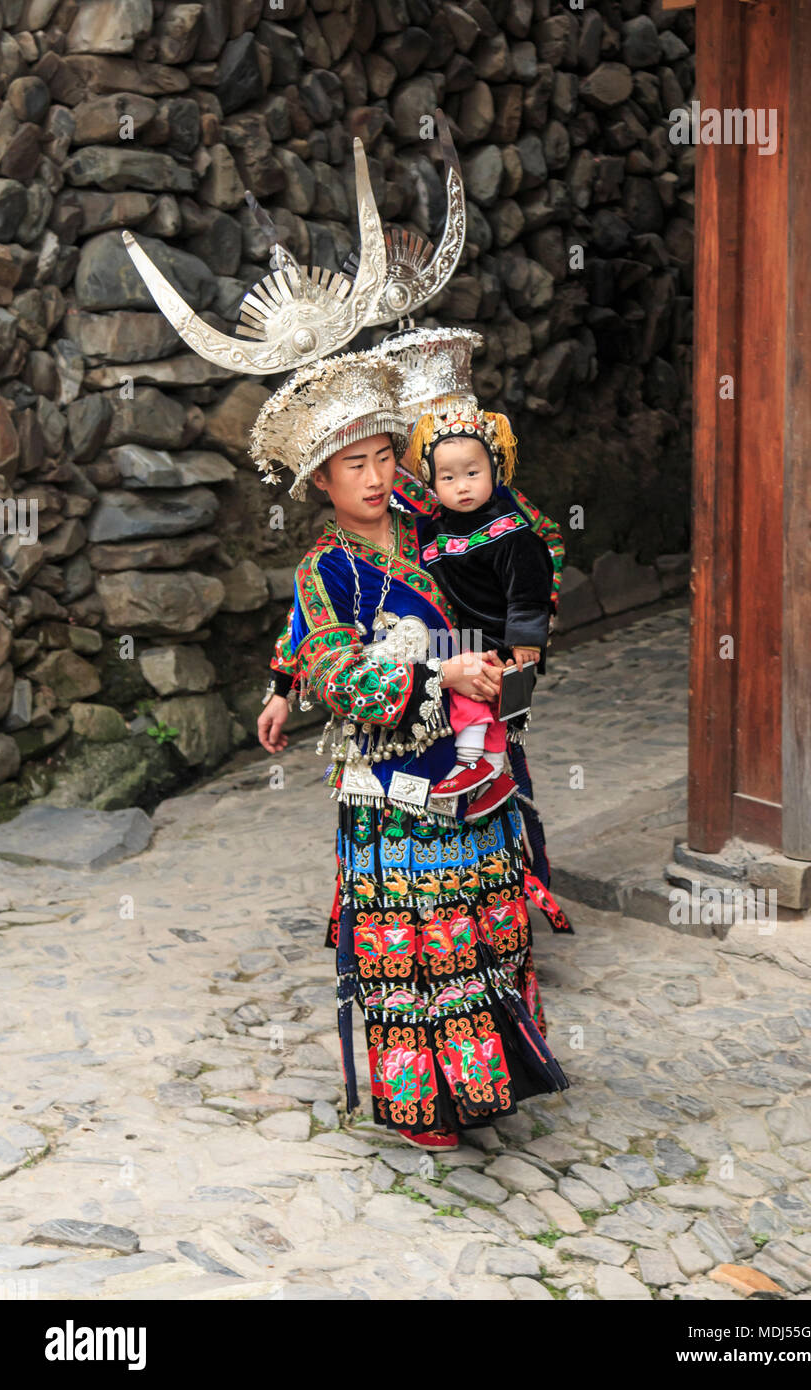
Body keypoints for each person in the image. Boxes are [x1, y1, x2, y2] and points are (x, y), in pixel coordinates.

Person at [256, 350, 568, 1149]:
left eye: (383, 457)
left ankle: (494, 1081)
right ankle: (422, 1105)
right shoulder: (326, 569)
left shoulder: (433, 527)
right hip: (393, 787)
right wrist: (294, 685)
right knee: (416, 950)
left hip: (477, 768)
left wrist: (522, 626)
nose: (371, 477)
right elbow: (339, 669)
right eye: (351, 465)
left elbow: (520, 536)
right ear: (322, 482)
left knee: (486, 930)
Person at [408, 403, 553, 821]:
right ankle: (490, 773)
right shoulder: (431, 533)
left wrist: (526, 639)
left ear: (495, 470)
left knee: (494, 703)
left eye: (473, 473)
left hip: (502, 635)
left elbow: (528, 588)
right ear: (433, 484)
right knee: (459, 683)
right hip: (460, 636)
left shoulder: (512, 531)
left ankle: (476, 762)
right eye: (448, 478)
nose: (463, 486)